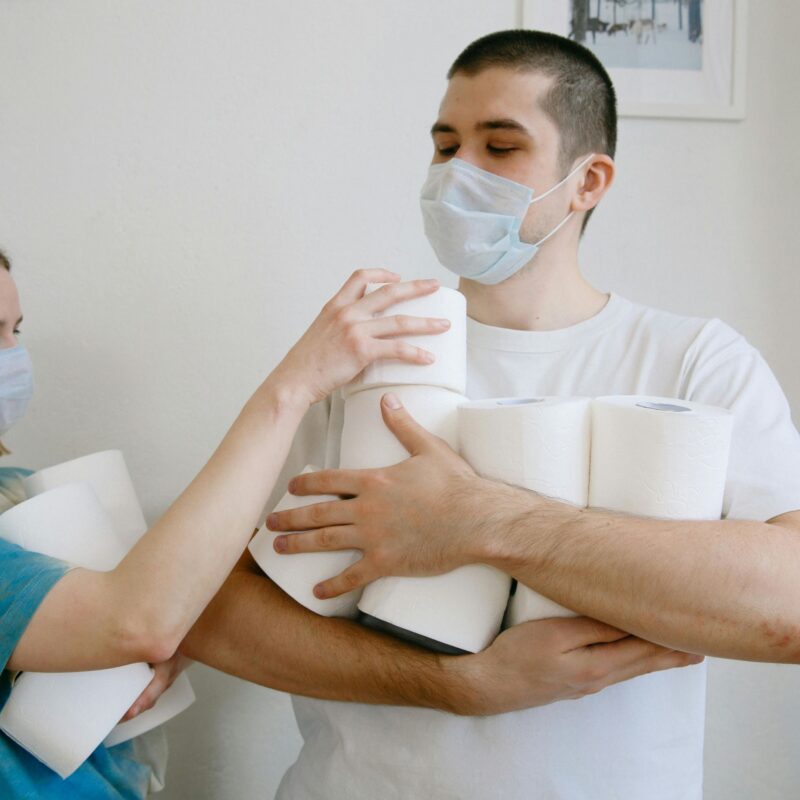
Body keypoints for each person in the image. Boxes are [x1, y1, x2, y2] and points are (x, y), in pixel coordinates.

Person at [175, 30, 766, 800]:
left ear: (587, 181)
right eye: (446, 145)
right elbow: (206, 607)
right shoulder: (365, 352)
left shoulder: (693, 363)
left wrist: (477, 519)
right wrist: (457, 685)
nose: (458, 172)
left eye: (501, 146)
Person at [0, 250, 455, 798]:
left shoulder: (19, 494)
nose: (12, 357)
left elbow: (159, 613)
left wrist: (175, 637)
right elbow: (136, 621)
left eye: (14, 331)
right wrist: (293, 386)